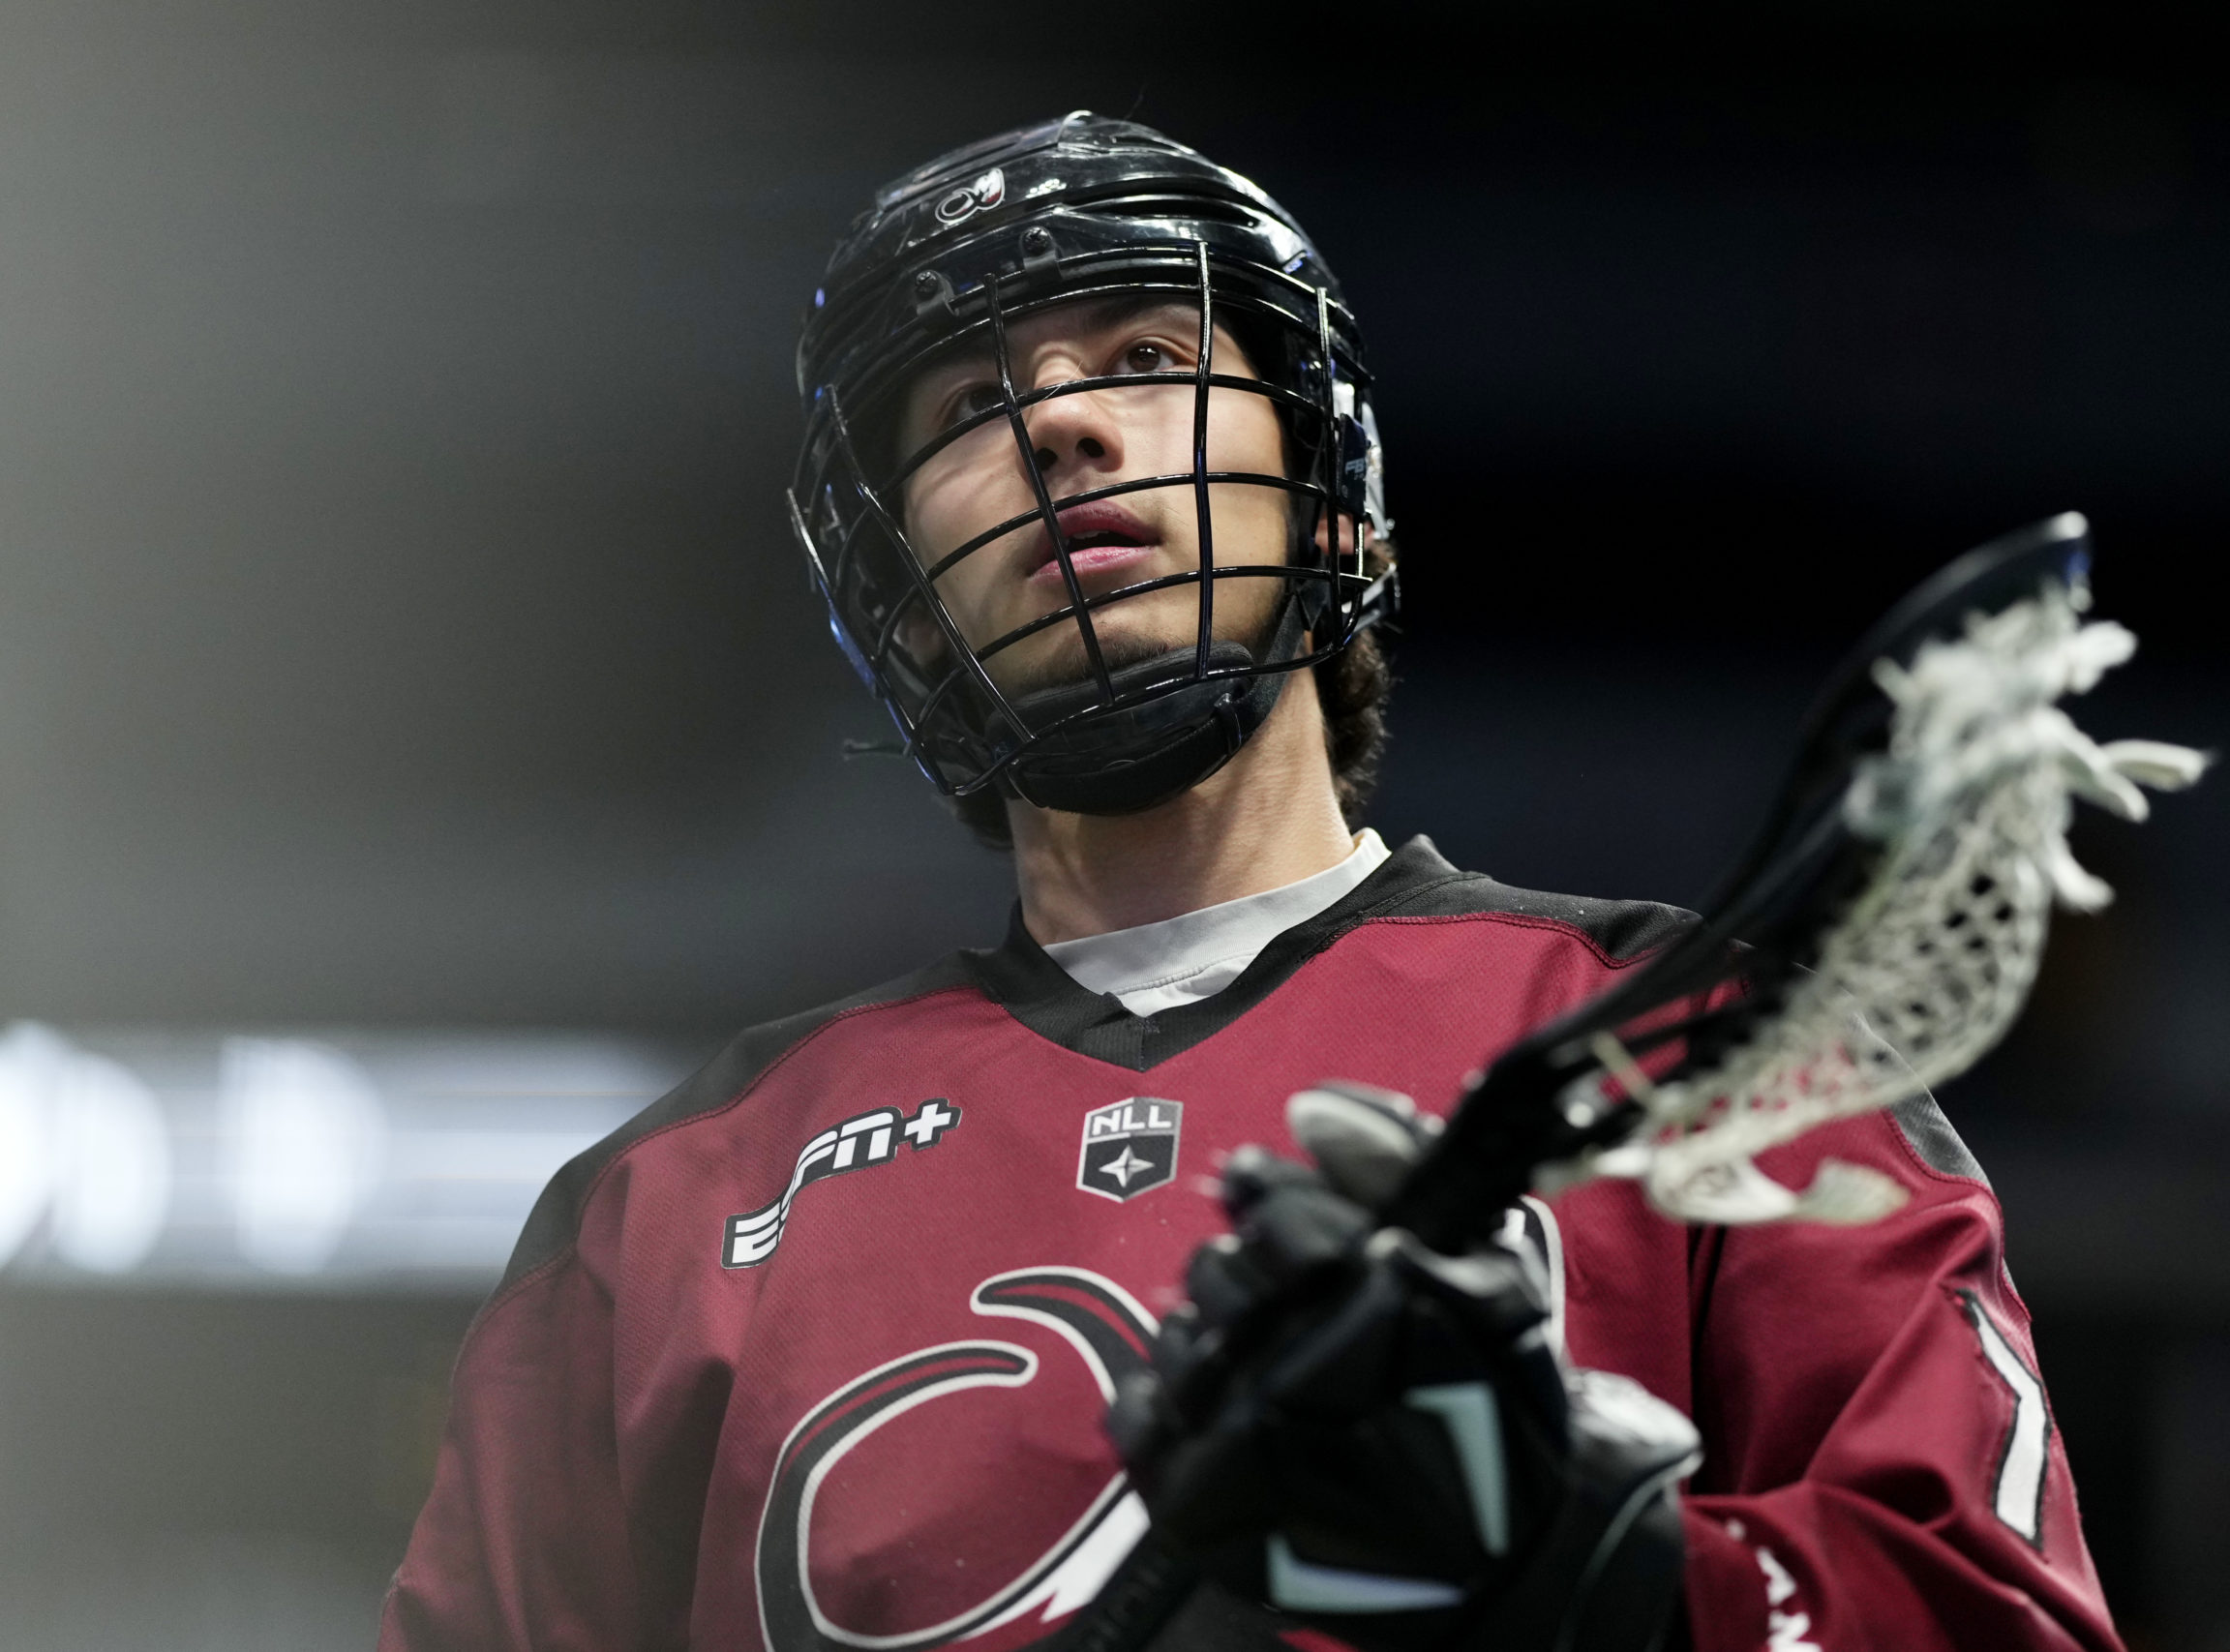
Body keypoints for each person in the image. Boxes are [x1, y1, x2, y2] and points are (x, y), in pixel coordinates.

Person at [379, 113, 2124, 1652]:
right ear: (904, 598)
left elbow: (1993, 1620)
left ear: (1336, 510)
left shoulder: (1698, 1056)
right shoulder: (664, 1206)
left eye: (1143, 353)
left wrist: (1599, 1565)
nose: (1059, 422)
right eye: (972, 404)